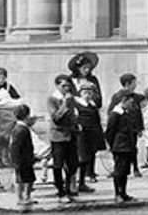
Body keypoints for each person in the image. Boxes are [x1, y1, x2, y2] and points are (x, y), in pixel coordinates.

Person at [45, 74, 80, 202]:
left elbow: (72, 116)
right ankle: (60, 192)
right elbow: (56, 117)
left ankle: (69, 186)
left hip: (70, 135)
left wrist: (76, 125)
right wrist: (65, 104)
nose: (66, 88)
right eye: (63, 86)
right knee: (58, 165)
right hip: (58, 136)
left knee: (73, 164)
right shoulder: (52, 99)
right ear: (57, 85)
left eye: (68, 86)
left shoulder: (70, 99)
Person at [104, 89, 143, 202]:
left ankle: (124, 192)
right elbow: (109, 132)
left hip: (127, 146)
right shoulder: (115, 114)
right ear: (123, 100)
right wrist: (113, 146)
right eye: (130, 101)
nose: (132, 104)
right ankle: (118, 193)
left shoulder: (125, 112)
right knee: (119, 171)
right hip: (120, 147)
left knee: (125, 171)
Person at [73, 85, 105, 191]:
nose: (87, 95)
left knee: (91, 155)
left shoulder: (93, 105)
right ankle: (78, 181)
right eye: (85, 92)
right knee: (82, 158)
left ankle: (90, 175)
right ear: (80, 93)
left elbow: (97, 120)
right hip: (82, 134)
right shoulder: (77, 104)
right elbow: (74, 119)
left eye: (89, 92)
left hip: (93, 133)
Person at [8, 104, 35, 207]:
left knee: (29, 178)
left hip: (25, 159)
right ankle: (21, 197)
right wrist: (16, 161)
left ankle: (26, 196)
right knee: (21, 180)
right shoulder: (21, 130)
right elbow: (15, 147)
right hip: (23, 160)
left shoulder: (20, 128)